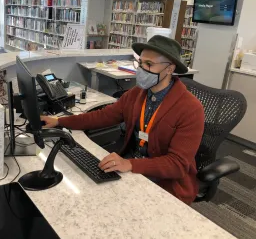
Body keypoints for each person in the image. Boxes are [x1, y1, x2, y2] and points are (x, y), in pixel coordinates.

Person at [41, 35, 204, 205]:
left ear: (170, 69)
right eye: (140, 63)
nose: (142, 69)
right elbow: (103, 116)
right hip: (132, 170)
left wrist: (130, 164)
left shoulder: (190, 108)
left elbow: (177, 165)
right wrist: (59, 122)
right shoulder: (137, 94)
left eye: (149, 64)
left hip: (165, 184)